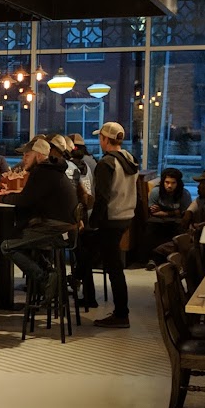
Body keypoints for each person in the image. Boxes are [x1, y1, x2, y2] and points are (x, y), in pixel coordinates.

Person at [0, 137, 78, 299]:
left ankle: (46, 279)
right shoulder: (52, 169)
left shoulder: (42, 171)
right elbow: (30, 198)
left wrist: (0, 197)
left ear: (38, 155)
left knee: (7, 246)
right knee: (22, 235)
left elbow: (25, 200)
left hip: (57, 230)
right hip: (65, 228)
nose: (23, 159)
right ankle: (51, 274)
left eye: (27, 155)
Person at [82, 122, 138, 328]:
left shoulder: (107, 163)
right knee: (111, 265)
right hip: (126, 216)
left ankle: (121, 314)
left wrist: (92, 223)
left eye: (101, 137)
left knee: (111, 266)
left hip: (110, 219)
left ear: (105, 139)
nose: (100, 141)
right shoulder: (130, 159)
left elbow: (102, 198)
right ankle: (112, 308)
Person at [144, 168, 191, 268]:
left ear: (178, 183)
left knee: (180, 230)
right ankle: (152, 259)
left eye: (173, 183)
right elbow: (153, 212)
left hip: (176, 222)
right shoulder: (156, 191)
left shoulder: (184, 194)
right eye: (167, 182)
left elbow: (185, 213)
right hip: (158, 221)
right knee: (150, 228)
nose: (169, 186)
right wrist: (174, 212)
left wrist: (164, 212)